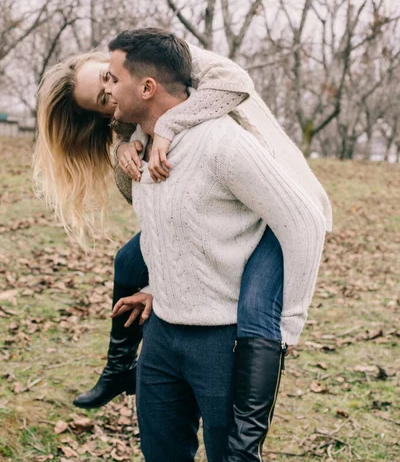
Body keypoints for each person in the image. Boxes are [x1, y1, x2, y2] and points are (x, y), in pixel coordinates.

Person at [104, 27, 326, 462]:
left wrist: (286, 322)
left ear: (150, 86)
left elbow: (302, 222)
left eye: (114, 78)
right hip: (162, 339)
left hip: (223, 342)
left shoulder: (223, 142)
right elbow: (176, 232)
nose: (106, 89)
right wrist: (157, 287)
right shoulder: (143, 148)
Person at [33, 36, 332, 412]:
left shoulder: (163, 59)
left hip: (275, 199)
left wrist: (169, 126)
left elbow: (235, 81)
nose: (111, 93)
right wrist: (121, 146)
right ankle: (120, 367)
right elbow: (149, 200)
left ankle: (243, 448)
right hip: (223, 203)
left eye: (108, 79)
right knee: (128, 262)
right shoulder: (129, 120)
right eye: (103, 101)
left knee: (257, 311)